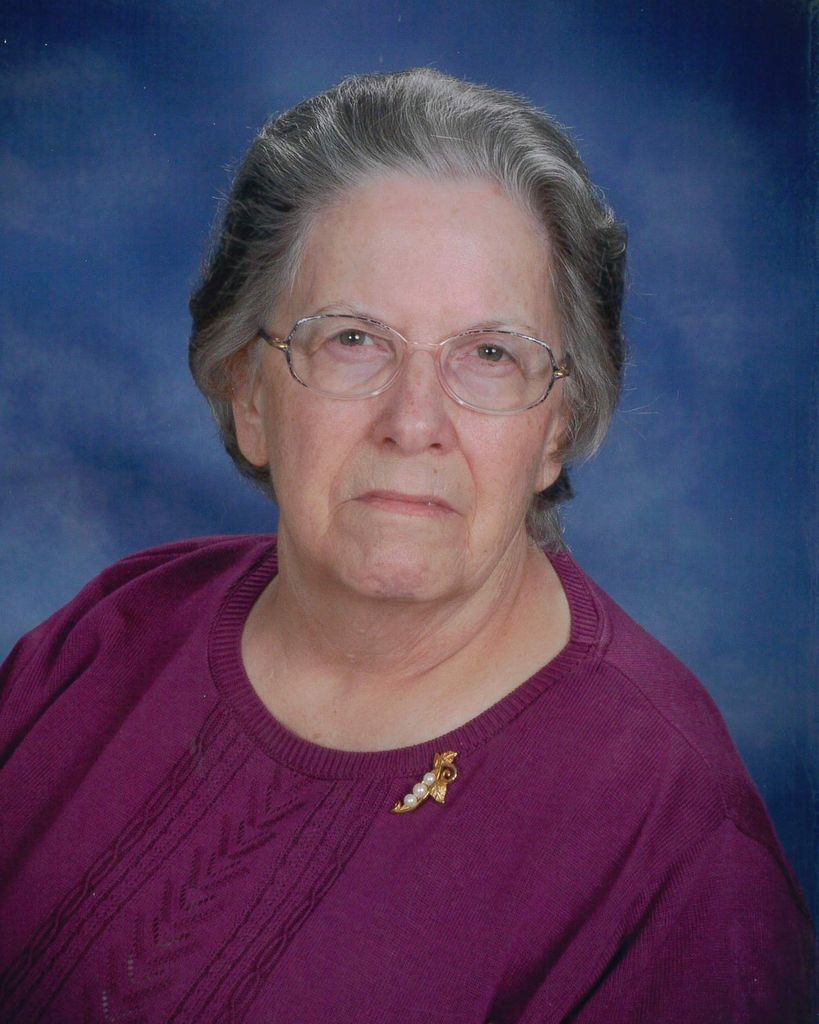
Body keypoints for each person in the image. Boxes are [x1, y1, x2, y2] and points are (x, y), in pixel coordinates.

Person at [0, 68, 813, 1023]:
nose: (413, 422)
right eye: (353, 339)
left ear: (556, 427)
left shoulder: (676, 847)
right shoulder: (105, 637)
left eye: (491, 354)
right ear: (248, 392)